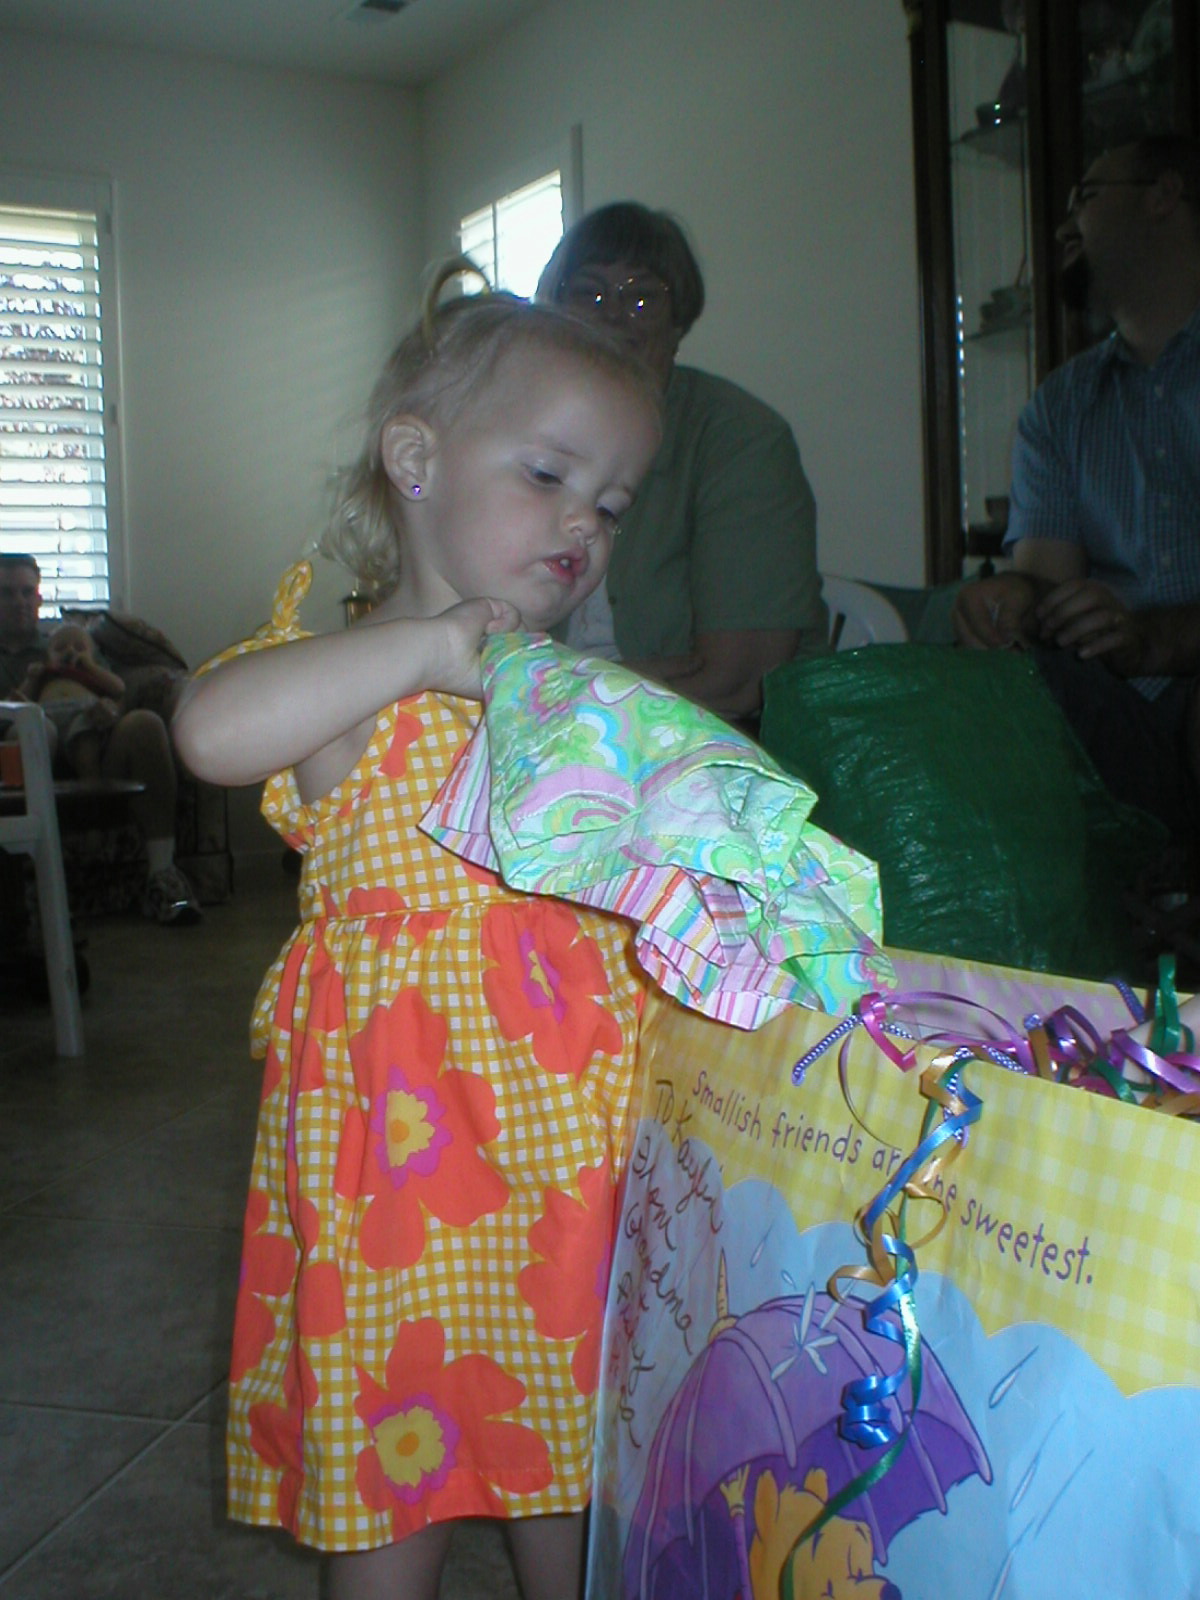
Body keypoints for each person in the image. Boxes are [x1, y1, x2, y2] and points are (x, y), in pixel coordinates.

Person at [171, 267, 661, 1600]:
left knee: (571, 1444)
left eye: (612, 502)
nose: (584, 521)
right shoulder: (354, 685)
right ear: (416, 460)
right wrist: (431, 654)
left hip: (567, 1142)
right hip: (404, 1156)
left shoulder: (564, 694)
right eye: (549, 475)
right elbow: (210, 732)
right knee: (405, 1447)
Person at [953, 134, 1200, 847]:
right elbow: (1045, 582)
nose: (1065, 227)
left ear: (1163, 196)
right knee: (975, 691)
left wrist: (1150, 640)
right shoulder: (1060, 405)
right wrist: (1011, 602)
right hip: (1114, 706)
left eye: (1085, 198)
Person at [536, 201, 826, 724]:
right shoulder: (533, 434)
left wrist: (557, 698)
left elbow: (740, 680)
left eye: (642, 297)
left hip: (706, 740)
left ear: (678, 319)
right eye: (590, 293)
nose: (613, 314)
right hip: (562, 721)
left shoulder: (741, 440)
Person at [0, 554, 201, 924]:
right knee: (33, 730)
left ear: (39, 597)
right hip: (27, 760)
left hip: (93, 747)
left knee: (145, 724)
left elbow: (112, 689)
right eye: (7, 593)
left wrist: (111, 709)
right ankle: (28, 885)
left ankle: (162, 875)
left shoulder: (67, 644)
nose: (19, 602)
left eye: (27, 592)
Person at [16, 621, 126, 780]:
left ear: (92, 654)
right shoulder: (45, 672)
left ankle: (90, 786)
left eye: (80, 648)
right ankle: (42, 787)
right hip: (47, 715)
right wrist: (31, 678)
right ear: (48, 656)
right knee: (38, 742)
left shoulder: (92, 671)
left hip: (83, 714)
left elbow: (119, 688)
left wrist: (91, 666)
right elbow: (21, 698)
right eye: (60, 648)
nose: (70, 651)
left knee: (86, 747)